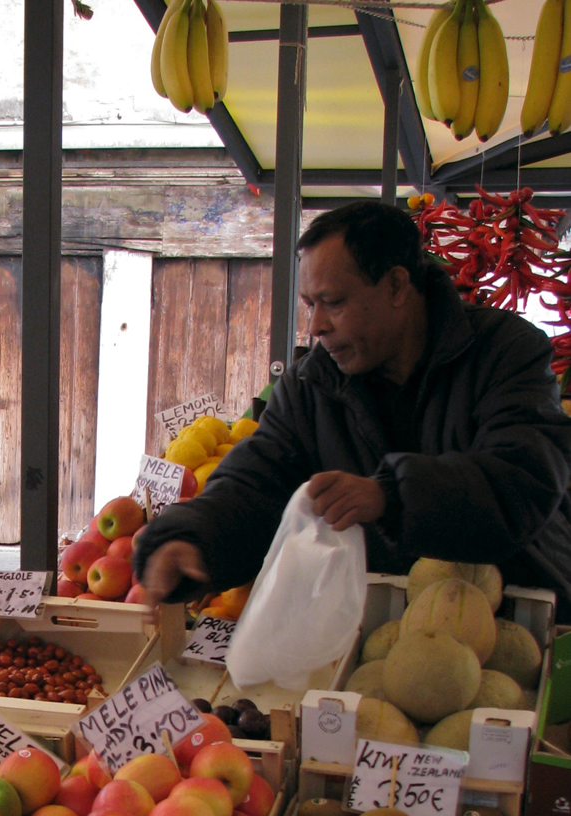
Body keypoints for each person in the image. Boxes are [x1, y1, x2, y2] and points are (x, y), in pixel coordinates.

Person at [133, 201, 571, 619]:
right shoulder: (310, 385)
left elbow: (524, 475)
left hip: (514, 618)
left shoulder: (505, 351)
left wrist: (391, 495)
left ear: (397, 286)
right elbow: (256, 482)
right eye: (311, 305)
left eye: (334, 302)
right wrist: (193, 537)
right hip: (372, 631)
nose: (316, 326)